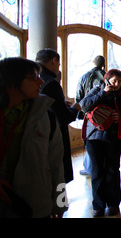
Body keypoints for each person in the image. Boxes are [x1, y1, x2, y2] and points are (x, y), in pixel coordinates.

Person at [0, 57, 67, 218]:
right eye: (33, 77)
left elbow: (57, 165)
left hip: (38, 206)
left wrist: (60, 205)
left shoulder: (46, 117)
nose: (40, 82)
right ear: (11, 81)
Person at [80, 69, 121, 217]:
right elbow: (84, 105)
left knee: (112, 170)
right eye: (114, 81)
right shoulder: (96, 91)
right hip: (94, 137)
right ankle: (98, 205)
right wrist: (103, 93)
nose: (116, 84)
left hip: (114, 137)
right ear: (106, 80)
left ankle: (113, 203)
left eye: (120, 81)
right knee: (97, 172)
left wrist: (120, 116)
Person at [36, 48, 80, 183]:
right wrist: (75, 108)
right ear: (54, 61)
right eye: (59, 64)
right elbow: (64, 117)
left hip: (40, 137)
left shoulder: (38, 78)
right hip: (54, 135)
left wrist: (61, 103)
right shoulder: (50, 82)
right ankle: (61, 203)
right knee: (58, 176)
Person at [75, 55, 106, 176]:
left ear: (93, 62)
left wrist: (80, 111)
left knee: (90, 140)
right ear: (103, 64)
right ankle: (98, 164)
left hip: (87, 112)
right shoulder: (106, 76)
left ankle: (89, 167)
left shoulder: (84, 77)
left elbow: (79, 95)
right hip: (102, 113)